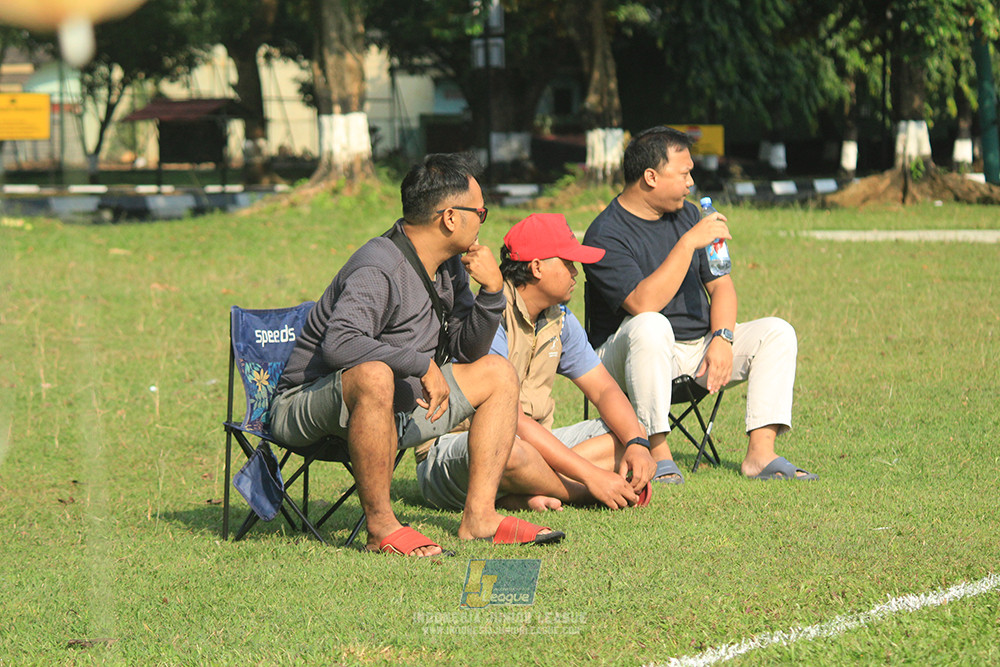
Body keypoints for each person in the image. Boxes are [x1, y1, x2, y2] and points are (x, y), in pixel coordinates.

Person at [269, 153, 565, 557]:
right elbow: (340, 343)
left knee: (497, 372)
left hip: (399, 408)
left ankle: (480, 517)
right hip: (307, 406)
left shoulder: (448, 267)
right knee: (374, 374)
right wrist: (420, 363)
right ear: (450, 218)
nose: (483, 221)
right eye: (480, 212)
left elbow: (467, 350)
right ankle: (381, 527)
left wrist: (492, 292)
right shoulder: (379, 266)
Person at [582, 126, 817, 481]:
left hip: (698, 350)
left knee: (777, 333)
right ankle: (657, 455)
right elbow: (643, 303)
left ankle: (760, 455)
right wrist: (688, 243)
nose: (691, 183)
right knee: (651, 325)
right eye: (684, 174)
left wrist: (722, 337)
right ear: (650, 177)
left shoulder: (690, 216)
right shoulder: (605, 234)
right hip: (625, 358)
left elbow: (722, 286)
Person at [416, 213, 658, 513]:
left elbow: (604, 389)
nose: (576, 272)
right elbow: (514, 422)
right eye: (568, 263)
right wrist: (592, 476)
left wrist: (636, 444)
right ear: (537, 266)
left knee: (629, 432)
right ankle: (576, 492)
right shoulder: (490, 314)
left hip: (535, 448)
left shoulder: (560, 317)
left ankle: (521, 492)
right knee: (508, 450)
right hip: (456, 450)